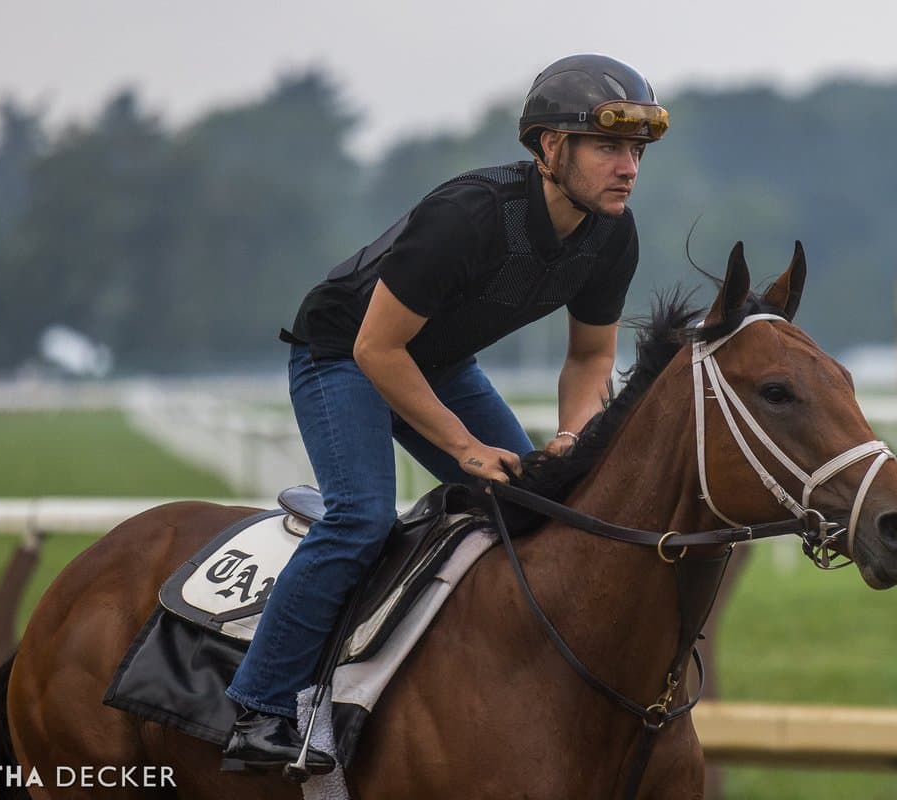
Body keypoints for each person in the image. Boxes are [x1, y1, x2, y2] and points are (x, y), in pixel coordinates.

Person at [221, 53, 669, 773]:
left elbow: (588, 362)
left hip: (437, 365)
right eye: (610, 147)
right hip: (343, 353)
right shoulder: (468, 215)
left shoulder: (612, 234)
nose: (629, 168)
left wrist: (568, 438)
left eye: (637, 151)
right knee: (361, 516)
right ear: (551, 147)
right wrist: (463, 448)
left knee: (538, 504)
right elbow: (377, 348)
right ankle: (262, 706)